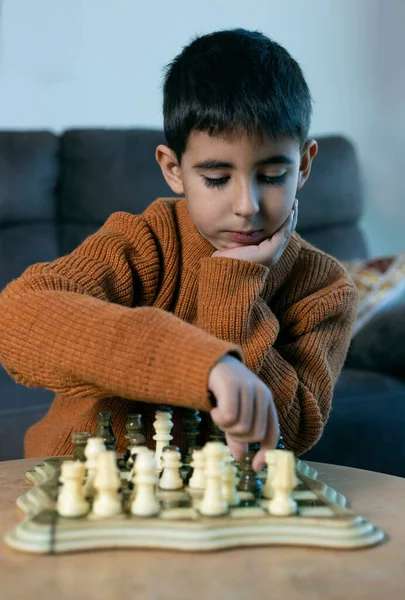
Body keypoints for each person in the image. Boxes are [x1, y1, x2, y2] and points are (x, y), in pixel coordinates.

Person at [0, 29, 357, 470]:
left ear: (302, 165)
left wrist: (234, 283)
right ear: (174, 169)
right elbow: (19, 318)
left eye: (271, 175)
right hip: (85, 495)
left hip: (215, 512)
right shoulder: (146, 240)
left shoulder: (326, 288)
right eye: (216, 178)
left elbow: (295, 432)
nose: (247, 207)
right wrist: (203, 365)